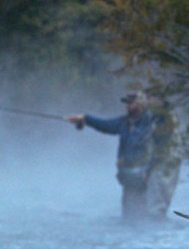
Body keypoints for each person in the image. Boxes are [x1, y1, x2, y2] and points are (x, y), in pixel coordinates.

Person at [66, 91, 176, 220]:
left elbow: (158, 148)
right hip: (128, 177)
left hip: (144, 177)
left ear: (140, 104)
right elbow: (105, 125)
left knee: (144, 215)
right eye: (127, 103)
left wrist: (147, 168)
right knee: (128, 215)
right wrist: (85, 118)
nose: (127, 106)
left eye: (131, 103)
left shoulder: (150, 123)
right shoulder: (124, 122)